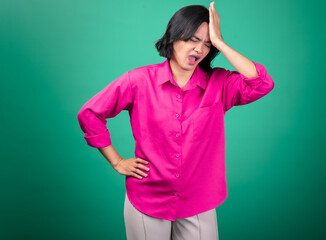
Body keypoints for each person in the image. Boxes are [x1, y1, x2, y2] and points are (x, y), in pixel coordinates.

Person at [77, 2, 274, 239]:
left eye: (207, 43)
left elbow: (261, 83)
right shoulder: (138, 81)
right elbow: (90, 114)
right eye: (192, 39)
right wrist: (118, 162)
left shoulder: (220, 83)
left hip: (199, 200)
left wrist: (220, 42)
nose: (199, 49)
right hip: (147, 199)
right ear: (174, 36)